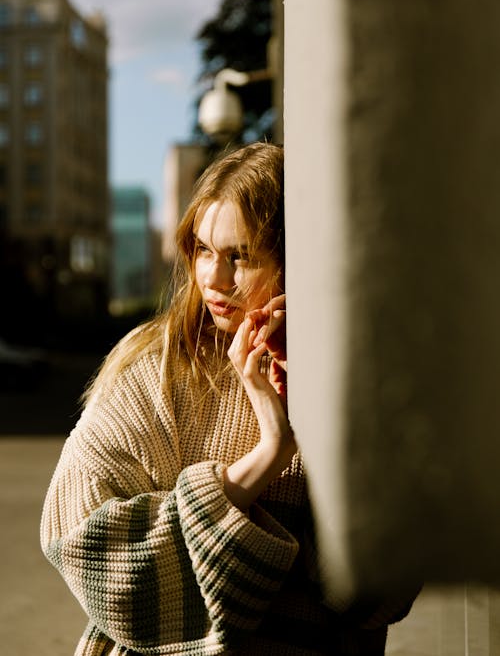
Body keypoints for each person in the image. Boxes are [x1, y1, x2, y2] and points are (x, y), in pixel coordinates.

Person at [41, 142, 416, 655]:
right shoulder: (155, 369)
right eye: (202, 250)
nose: (214, 280)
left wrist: (322, 422)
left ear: (298, 260)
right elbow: (83, 549)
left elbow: (377, 597)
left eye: (242, 256)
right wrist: (267, 456)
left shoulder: (362, 380)